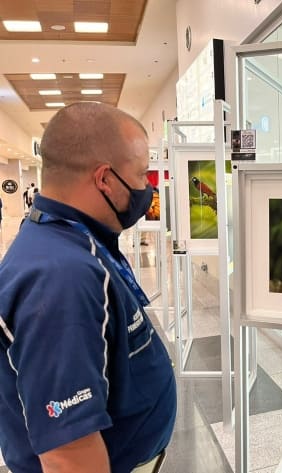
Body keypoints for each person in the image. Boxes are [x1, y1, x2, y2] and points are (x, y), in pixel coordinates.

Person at [0, 102, 176, 473]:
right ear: (105, 180)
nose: (148, 188)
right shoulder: (61, 278)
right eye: (142, 175)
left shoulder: (68, 240)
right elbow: (68, 456)